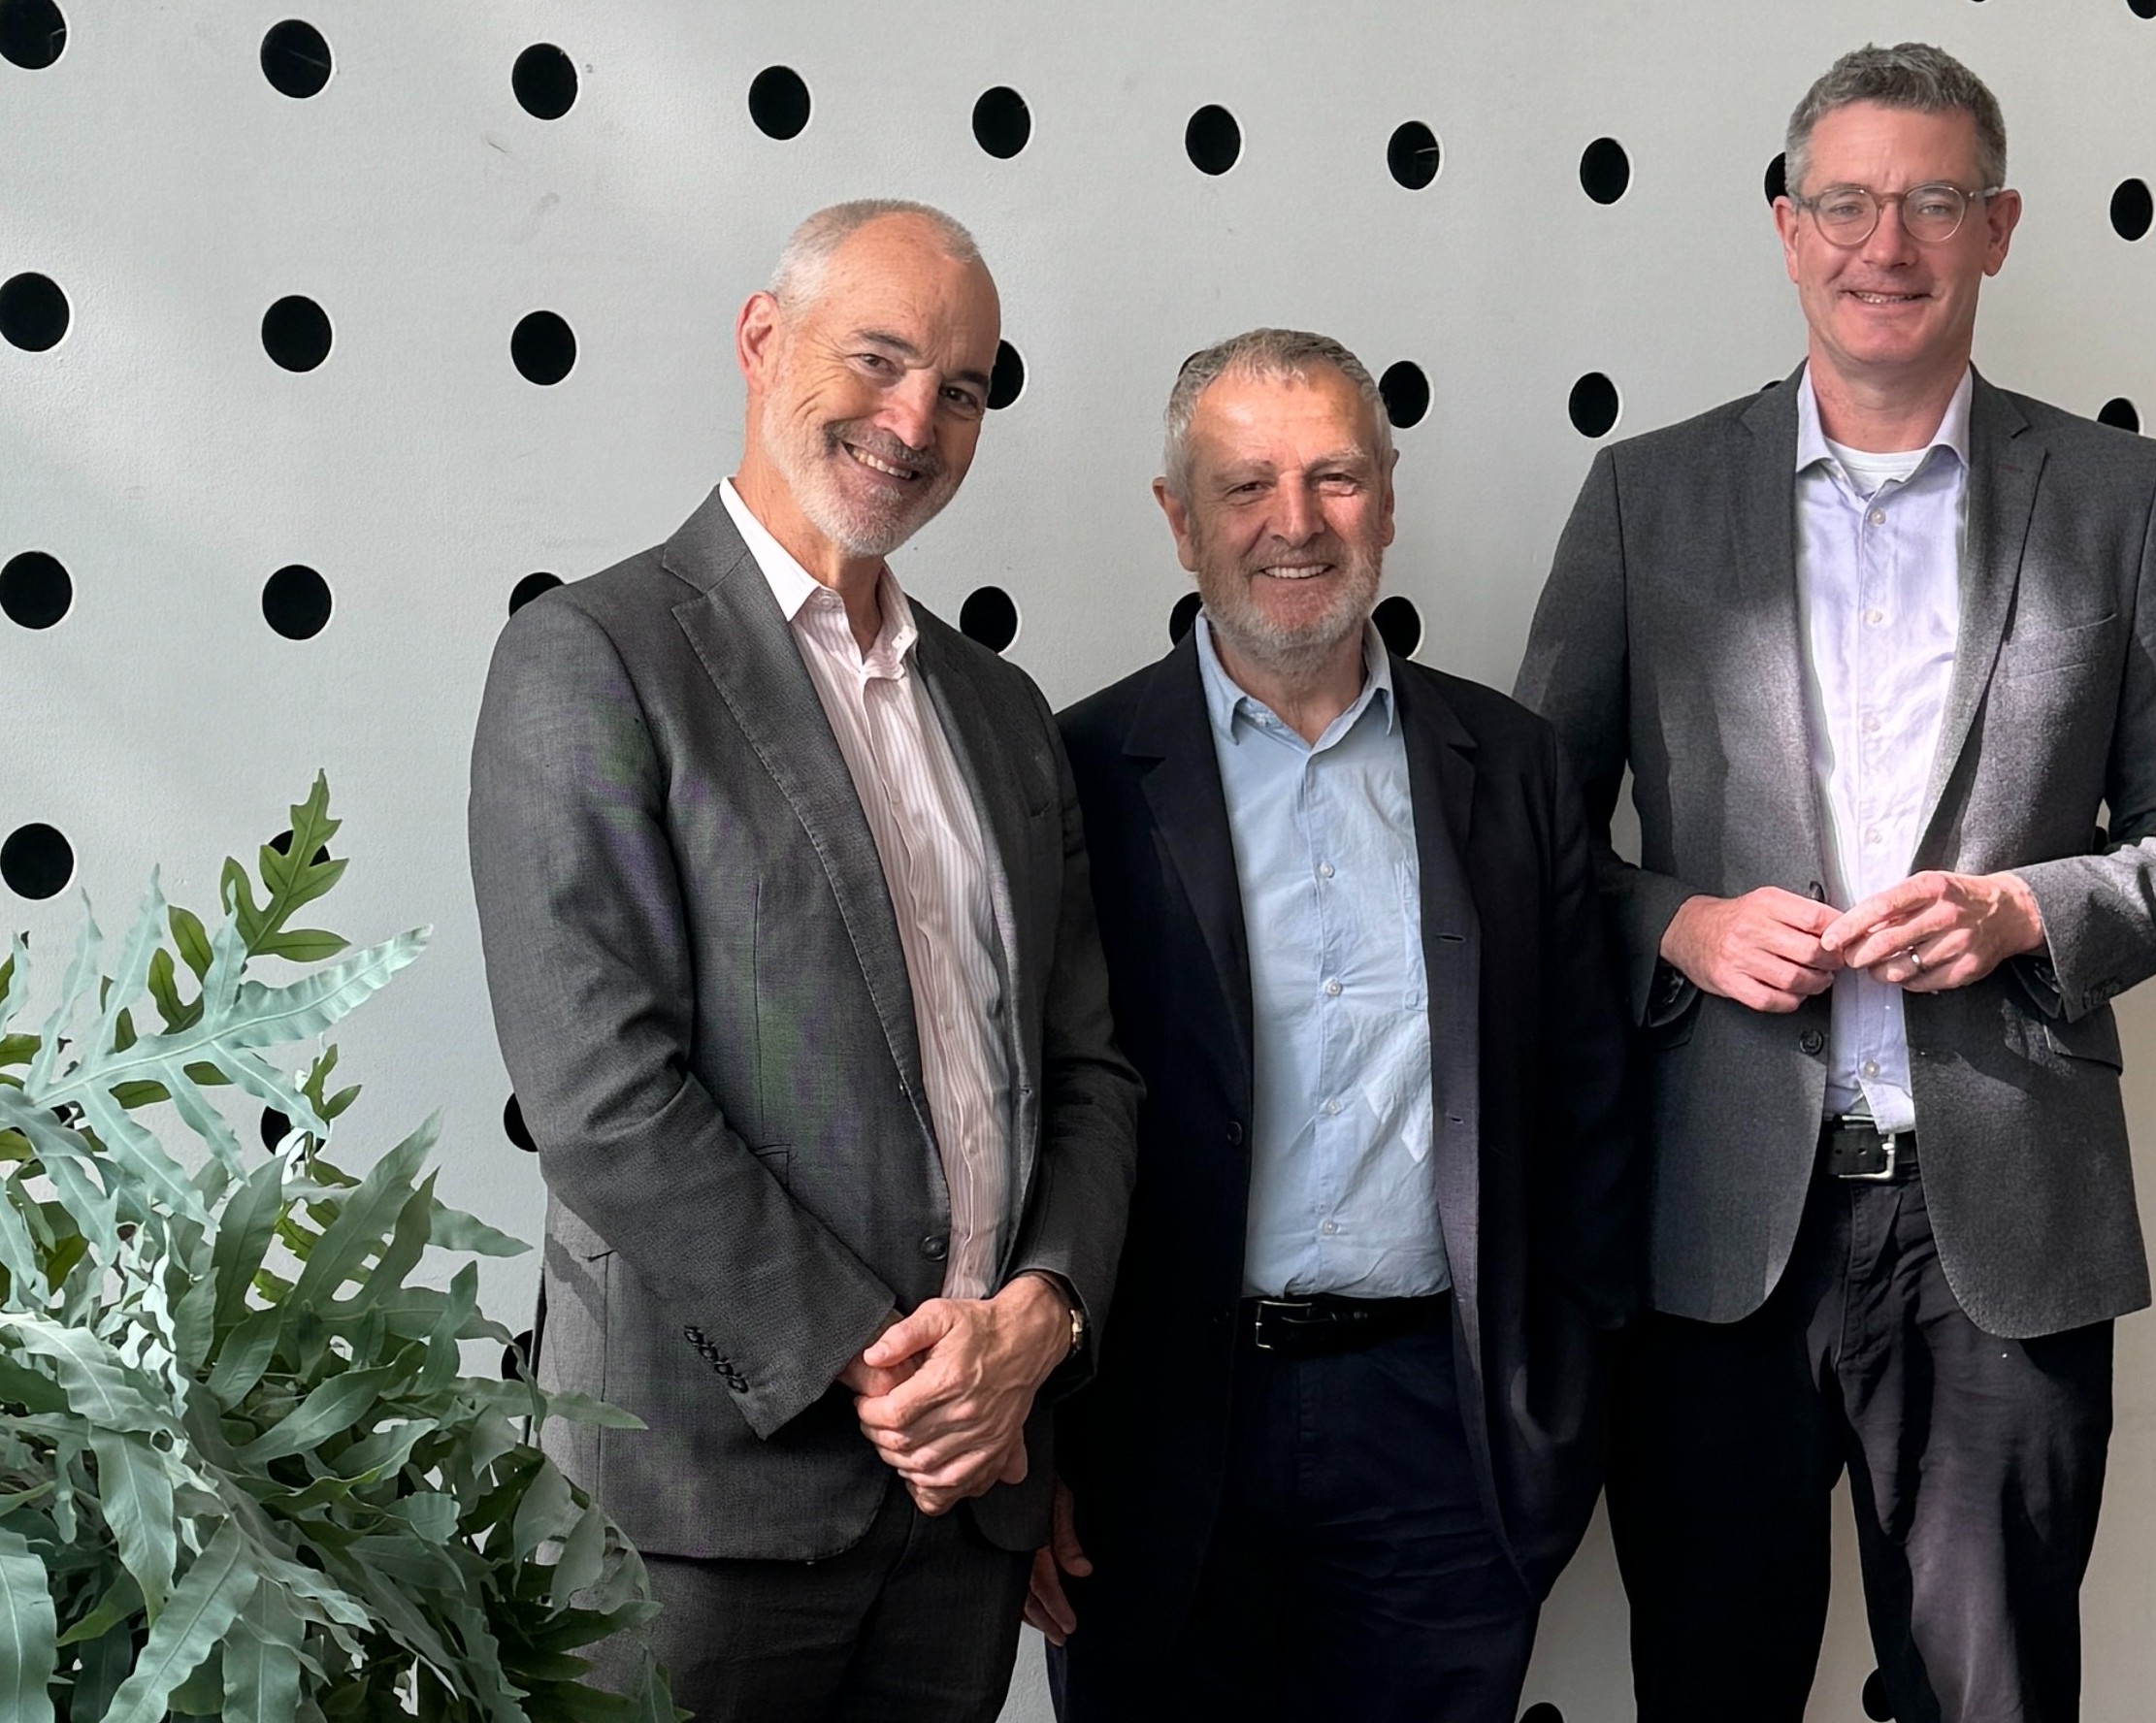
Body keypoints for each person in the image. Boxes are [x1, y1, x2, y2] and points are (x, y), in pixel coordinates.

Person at [1516, 43, 2156, 1723]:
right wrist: (1686, 928)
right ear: (1784, 230)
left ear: (1996, 228)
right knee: (1712, 1687)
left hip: (1999, 1232)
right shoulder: (1646, 496)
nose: (1887, 243)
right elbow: (1534, 845)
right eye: (1845, 202)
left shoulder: (2122, 500)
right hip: (1717, 1227)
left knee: (1990, 1698)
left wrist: (2023, 913)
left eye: (1932, 201)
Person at [468, 199, 1138, 1723]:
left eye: (960, 388)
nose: (915, 420)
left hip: (969, 1504)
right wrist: (888, 1368)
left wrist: (1039, 1321)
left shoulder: (1002, 708)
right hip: (699, 1511)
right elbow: (600, 1093)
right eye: (881, 358)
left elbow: (1087, 1070)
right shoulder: (595, 656)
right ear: (763, 341)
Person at [1041, 329, 1637, 1723]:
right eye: (1244, 485)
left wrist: (1553, 1424)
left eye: (1334, 478)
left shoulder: (1515, 769)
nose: (1294, 524)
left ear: (1387, 496)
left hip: (1442, 1441)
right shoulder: (1070, 774)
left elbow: (1587, 1110)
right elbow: (1032, 1115)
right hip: (1156, 1436)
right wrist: (1040, 1441)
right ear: (1176, 519)